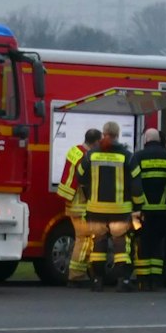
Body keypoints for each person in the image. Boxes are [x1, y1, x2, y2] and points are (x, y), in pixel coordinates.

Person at [78, 121, 134, 292]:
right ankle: (122, 282)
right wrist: (138, 204)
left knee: (98, 246)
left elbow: (80, 176)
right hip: (119, 210)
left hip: (96, 209)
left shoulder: (91, 155)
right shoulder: (127, 156)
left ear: (103, 134)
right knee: (120, 247)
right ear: (117, 135)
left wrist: (89, 193)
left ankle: (97, 281)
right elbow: (135, 183)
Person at [130, 127, 166, 291]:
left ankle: (143, 280)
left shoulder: (138, 157)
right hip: (163, 210)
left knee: (143, 244)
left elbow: (135, 184)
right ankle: (156, 280)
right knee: (158, 244)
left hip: (144, 210)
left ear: (146, 140)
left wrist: (138, 205)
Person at [60, 128, 101, 285]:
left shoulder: (74, 150)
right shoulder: (86, 156)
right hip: (81, 205)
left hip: (71, 202)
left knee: (85, 240)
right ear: (96, 141)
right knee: (84, 240)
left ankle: (87, 272)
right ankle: (76, 276)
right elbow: (85, 183)